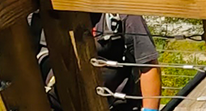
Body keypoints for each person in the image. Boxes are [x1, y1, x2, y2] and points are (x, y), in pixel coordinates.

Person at [32, 13, 162, 111]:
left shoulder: (121, 13)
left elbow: (148, 65)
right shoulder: (39, 14)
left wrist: (149, 110)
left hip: (113, 106)